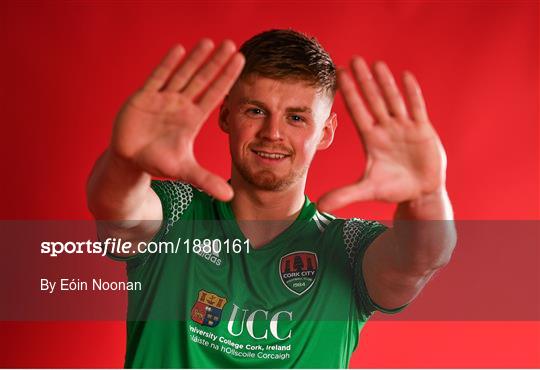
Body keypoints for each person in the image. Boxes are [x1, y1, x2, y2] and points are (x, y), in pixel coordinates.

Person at [87, 29, 456, 368]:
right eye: (256, 110)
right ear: (227, 114)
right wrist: (124, 162)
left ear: (325, 132)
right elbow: (119, 209)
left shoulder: (347, 248)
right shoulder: (176, 214)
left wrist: (426, 198)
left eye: (296, 117)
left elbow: (422, 257)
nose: (273, 133)